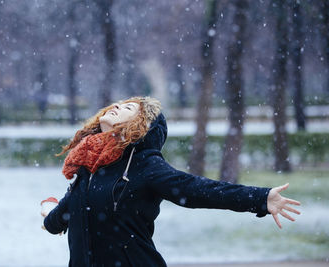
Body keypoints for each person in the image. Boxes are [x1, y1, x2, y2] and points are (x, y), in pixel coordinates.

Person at [41, 96, 301, 266]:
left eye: (129, 108)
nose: (116, 106)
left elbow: (196, 189)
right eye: (118, 104)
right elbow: (60, 220)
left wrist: (259, 198)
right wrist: (48, 211)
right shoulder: (88, 167)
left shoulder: (144, 164)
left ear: (140, 126)